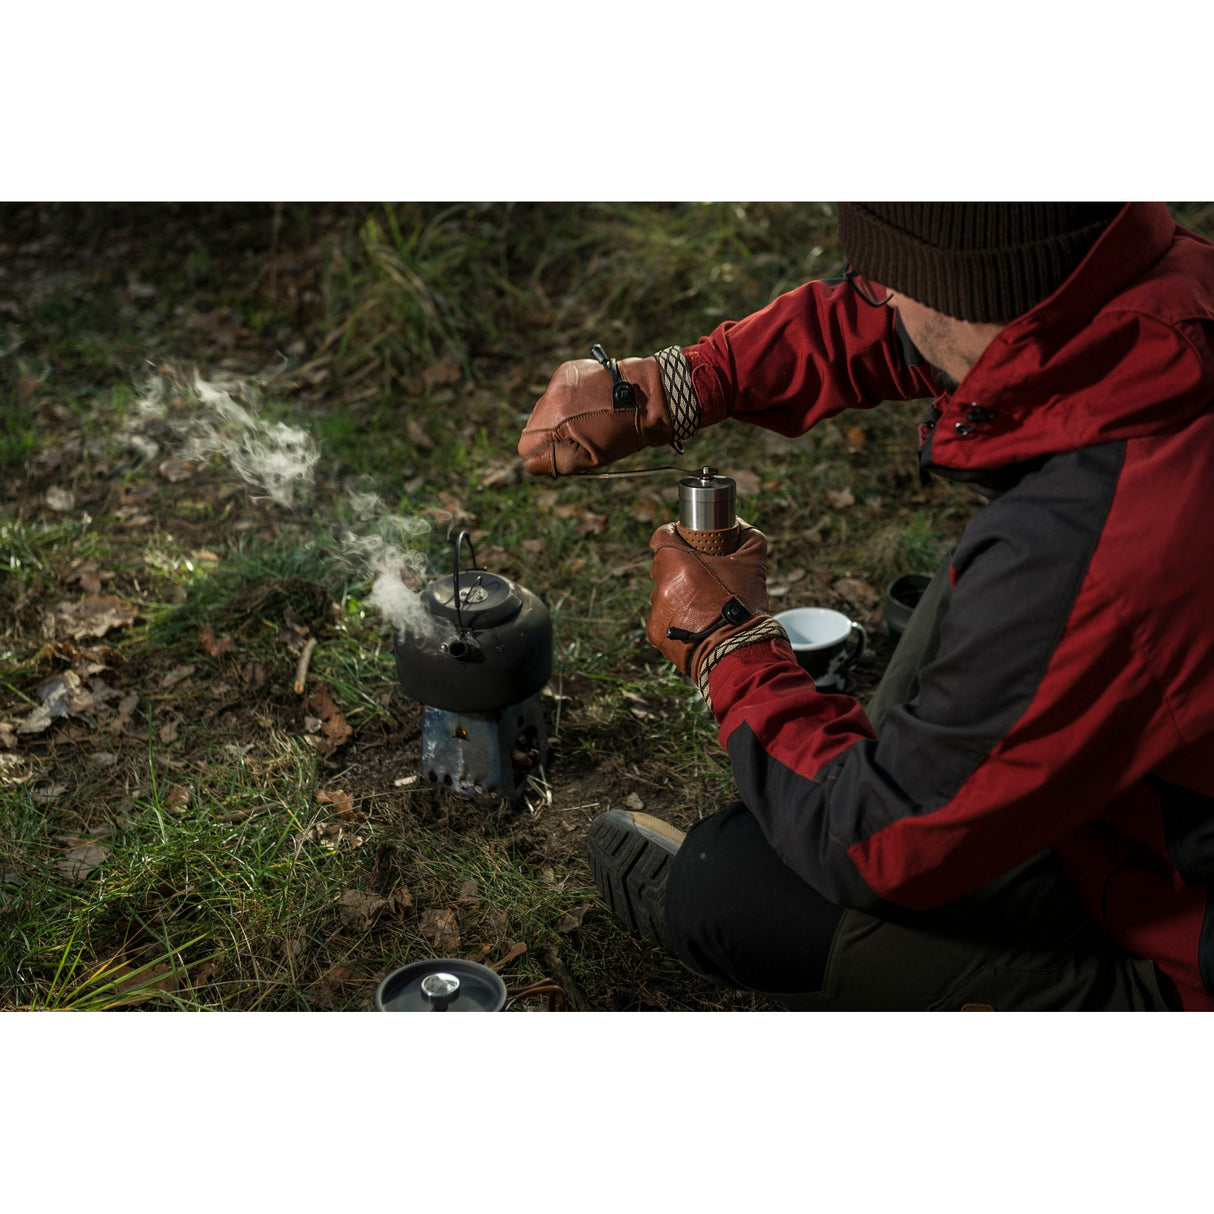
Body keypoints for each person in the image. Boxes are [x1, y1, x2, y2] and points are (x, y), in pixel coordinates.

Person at [517, 203, 1214, 1011]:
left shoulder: (1086, 551)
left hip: (1180, 945)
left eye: (891, 280)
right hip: (1140, 794)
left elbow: (874, 844)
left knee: (733, 893)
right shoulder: (1162, 297)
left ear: (967, 287)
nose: (873, 296)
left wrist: (728, 644)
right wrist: (678, 382)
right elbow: (903, 329)